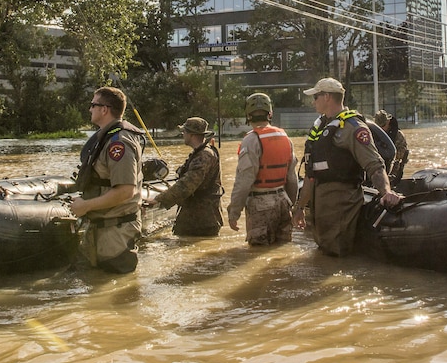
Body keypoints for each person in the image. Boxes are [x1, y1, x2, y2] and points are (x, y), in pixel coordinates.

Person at [293, 78, 402, 256]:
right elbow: (311, 175)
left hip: (341, 209)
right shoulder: (321, 126)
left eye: (316, 97)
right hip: (321, 212)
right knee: (322, 259)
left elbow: (374, 165)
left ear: (327, 97)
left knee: (335, 264)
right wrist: (299, 208)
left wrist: (386, 192)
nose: (313, 102)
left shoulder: (353, 128)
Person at [67, 86, 145, 273]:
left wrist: (86, 206)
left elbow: (126, 191)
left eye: (93, 104)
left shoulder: (119, 142)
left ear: (104, 109)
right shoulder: (106, 138)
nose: (89, 109)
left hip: (116, 235)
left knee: (117, 292)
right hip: (98, 231)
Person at [227, 93, 299, 246]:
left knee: (257, 254)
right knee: (282, 252)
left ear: (248, 115)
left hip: (260, 204)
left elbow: (244, 181)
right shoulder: (285, 137)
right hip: (283, 201)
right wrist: (292, 206)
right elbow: (292, 179)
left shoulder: (250, 140)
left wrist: (234, 213)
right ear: (270, 114)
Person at [151, 117, 223, 236]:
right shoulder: (199, 153)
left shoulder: (204, 156)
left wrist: (158, 199)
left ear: (191, 135)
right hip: (197, 219)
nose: (182, 134)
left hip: (201, 222)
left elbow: (186, 185)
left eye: (184, 131)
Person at [373, 110, 410, 185]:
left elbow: (401, 153)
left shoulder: (398, 135)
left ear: (388, 122)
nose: (381, 129)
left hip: (393, 168)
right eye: (379, 127)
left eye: (383, 126)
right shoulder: (373, 133)